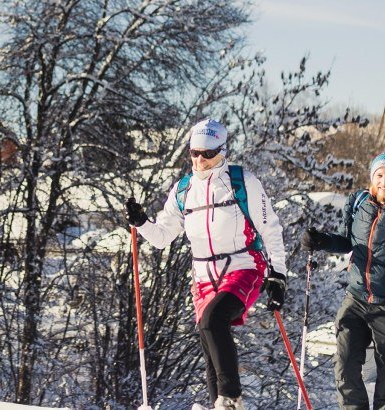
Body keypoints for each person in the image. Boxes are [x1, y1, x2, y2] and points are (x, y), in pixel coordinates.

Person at [124, 119, 289, 410]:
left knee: (214, 321)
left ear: (223, 152)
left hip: (243, 265)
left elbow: (271, 228)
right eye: (194, 153)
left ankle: (232, 399)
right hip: (202, 275)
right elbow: (162, 237)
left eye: (208, 153)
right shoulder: (184, 189)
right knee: (208, 340)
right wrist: (142, 223)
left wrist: (278, 275)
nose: (199, 160)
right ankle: (218, 404)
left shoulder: (242, 181)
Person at [301, 152, 385, 410]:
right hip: (356, 298)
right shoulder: (360, 202)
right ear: (371, 178)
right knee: (345, 362)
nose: (384, 182)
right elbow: (346, 241)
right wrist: (322, 241)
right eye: (379, 176)